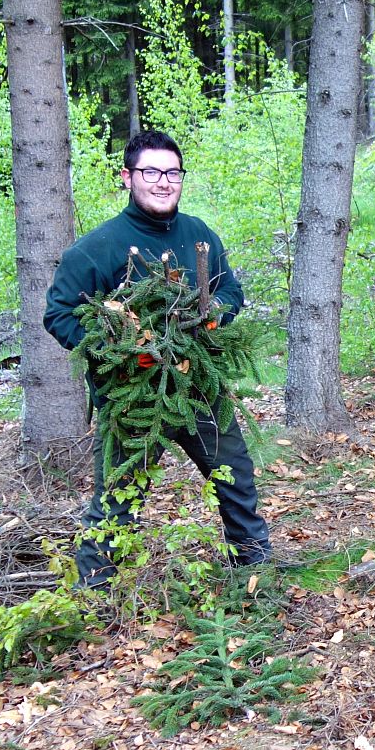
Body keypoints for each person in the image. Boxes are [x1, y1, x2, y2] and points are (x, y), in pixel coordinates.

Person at [43, 129, 271, 584]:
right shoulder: (97, 248)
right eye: (151, 172)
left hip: (199, 389)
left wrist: (212, 314)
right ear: (127, 177)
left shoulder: (198, 234)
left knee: (236, 480)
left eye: (172, 173)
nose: (163, 182)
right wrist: (123, 349)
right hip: (132, 400)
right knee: (116, 500)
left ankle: (256, 574)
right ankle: (96, 594)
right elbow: (60, 314)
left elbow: (229, 289)